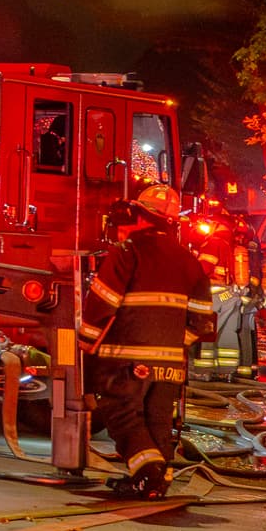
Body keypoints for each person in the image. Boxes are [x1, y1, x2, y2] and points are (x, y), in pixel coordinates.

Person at [79, 195, 211, 498]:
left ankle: (146, 475)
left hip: (125, 361)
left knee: (122, 415)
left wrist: (84, 343)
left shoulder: (128, 252)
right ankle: (158, 482)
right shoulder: (189, 261)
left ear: (142, 217)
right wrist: (175, 348)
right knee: (158, 421)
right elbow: (202, 321)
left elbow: (102, 303)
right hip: (171, 365)